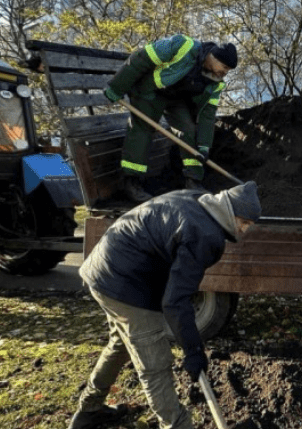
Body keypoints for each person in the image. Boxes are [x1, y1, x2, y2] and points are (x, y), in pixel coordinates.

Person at [67, 181, 261, 429]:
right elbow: (176, 301)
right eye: (244, 223)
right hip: (125, 281)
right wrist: (193, 351)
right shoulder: (206, 235)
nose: (244, 230)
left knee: (121, 343)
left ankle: (89, 411)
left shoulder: (201, 201)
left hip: (106, 267)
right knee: (155, 362)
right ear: (230, 212)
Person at [104, 34, 238, 202]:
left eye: (228, 70)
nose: (225, 73)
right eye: (224, 67)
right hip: (149, 91)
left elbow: (207, 116)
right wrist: (117, 86)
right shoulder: (183, 46)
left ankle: (193, 181)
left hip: (176, 99)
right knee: (143, 129)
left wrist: (204, 146)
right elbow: (141, 58)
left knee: (189, 130)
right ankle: (132, 182)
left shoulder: (216, 83)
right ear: (213, 56)